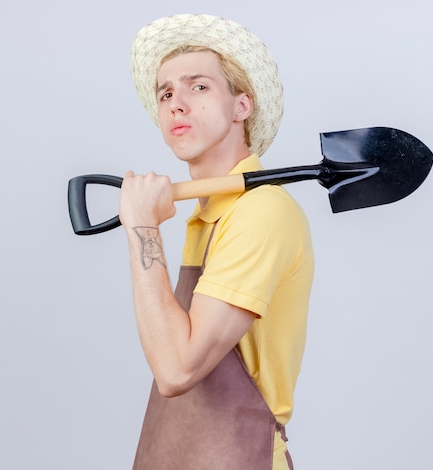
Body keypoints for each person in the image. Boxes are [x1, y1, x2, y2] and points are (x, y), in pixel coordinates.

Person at [120, 14, 314, 469]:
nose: (176, 104)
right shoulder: (206, 215)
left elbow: (176, 368)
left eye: (198, 87)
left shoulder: (261, 211)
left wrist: (143, 230)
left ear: (241, 106)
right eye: (165, 93)